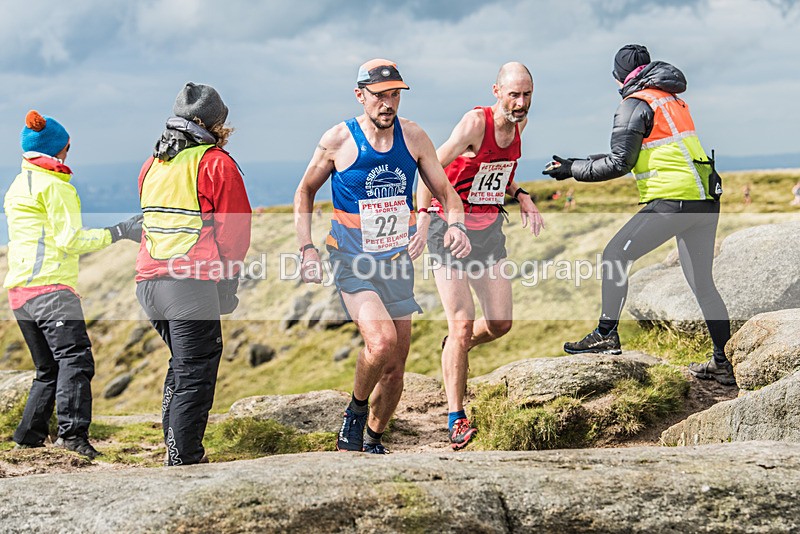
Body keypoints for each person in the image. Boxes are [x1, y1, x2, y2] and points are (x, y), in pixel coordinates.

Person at [294, 59, 471, 454]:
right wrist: (306, 247)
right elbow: (305, 191)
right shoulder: (339, 139)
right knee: (381, 343)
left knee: (394, 369)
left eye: (395, 95)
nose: (389, 104)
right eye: (380, 96)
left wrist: (455, 225)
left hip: (396, 263)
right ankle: (354, 413)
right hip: (351, 260)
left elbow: (447, 194)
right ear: (361, 96)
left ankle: (373, 436)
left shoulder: (414, 138)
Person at [543, 44, 734, 386]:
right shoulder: (671, 98)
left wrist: (573, 171)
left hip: (671, 200)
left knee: (615, 255)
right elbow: (639, 150)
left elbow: (620, 162)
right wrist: (577, 162)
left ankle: (605, 335)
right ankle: (723, 363)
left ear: (618, 77)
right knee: (704, 285)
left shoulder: (634, 103)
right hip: (703, 199)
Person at [413, 62, 545, 450]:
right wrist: (423, 217)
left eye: (527, 95)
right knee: (462, 321)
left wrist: (520, 194)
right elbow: (428, 167)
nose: (520, 103)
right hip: (447, 228)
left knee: (501, 323)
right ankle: (456, 418)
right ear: (496, 92)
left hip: (487, 231)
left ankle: (458, 346)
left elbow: (497, 169)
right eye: (513, 95)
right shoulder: (475, 123)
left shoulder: (518, 125)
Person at [4, 110, 142, 458]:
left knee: (48, 368)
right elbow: (70, 240)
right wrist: (119, 231)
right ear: (59, 149)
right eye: (68, 145)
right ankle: (73, 438)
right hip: (51, 290)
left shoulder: (19, 184)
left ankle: (28, 437)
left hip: (20, 292)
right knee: (77, 361)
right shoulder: (55, 187)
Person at [135, 83, 252, 465]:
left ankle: (175, 450)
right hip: (188, 284)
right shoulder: (216, 163)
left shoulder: (153, 164)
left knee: (183, 366)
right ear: (216, 123)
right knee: (197, 371)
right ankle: (184, 458)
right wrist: (228, 280)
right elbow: (234, 233)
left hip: (149, 284)